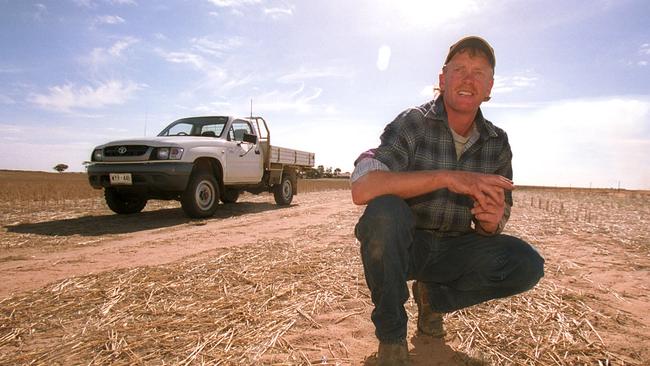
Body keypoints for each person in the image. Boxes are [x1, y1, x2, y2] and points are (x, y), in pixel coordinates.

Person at [350, 36, 545, 365]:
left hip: (455, 249)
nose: (469, 79)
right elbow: (363, 187)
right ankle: (392, 337)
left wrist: (490, 221)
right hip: (408, 246)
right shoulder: (413, 122)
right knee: (384, 211)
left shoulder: (498, 142)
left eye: (479, 73)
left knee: (526, 264)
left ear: (489, 88)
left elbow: (495, 220)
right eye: (460, 70)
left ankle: (433, 299)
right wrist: (445, 177)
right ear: (442, 80)